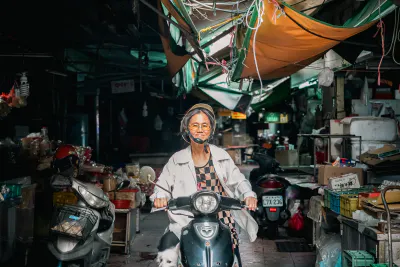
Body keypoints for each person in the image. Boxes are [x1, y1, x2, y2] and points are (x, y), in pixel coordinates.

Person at [150, 103, 258, 267]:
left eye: (204, 125)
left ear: (211, 129)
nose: (200, 129)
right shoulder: (176, 159)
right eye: (195, 125)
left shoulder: (221, 156)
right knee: (166, 254)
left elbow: (238, 180)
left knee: (232, 258)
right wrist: (160, 196)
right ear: (187, 128)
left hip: (221, 219)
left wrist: (248, 194)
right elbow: (161, 186)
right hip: (185, 221)